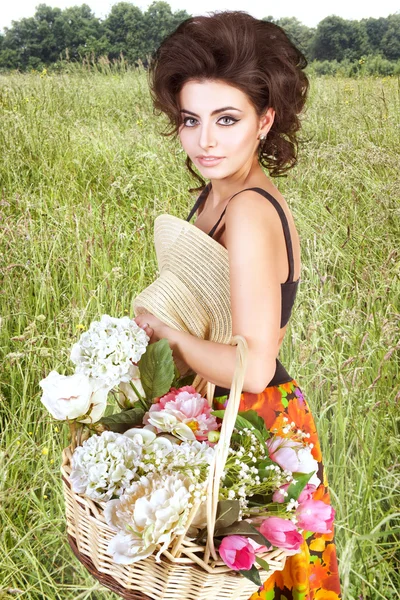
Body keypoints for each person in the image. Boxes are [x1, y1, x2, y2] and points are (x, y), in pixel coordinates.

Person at [134, 11, 342, 599]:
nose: (205, 140)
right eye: (190, 120)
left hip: (254, 423)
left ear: (265, 119)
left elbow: (253, 365)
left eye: (227, 120)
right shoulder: (217, 187)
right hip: (215, 409)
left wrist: (163, 336)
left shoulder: (250, 212)